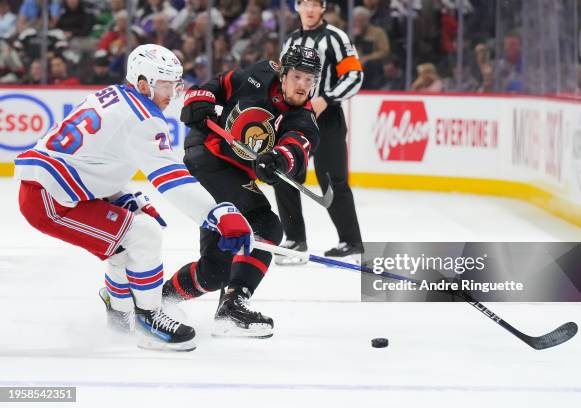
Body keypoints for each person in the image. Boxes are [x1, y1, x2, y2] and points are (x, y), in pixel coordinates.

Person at [13, 44, 253, 352]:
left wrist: (122, 195)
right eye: (166, 84)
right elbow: (171, 178)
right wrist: (218, 213)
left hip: (54, 187)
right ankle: (149, 319)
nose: (173, 91)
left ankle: (119, 311)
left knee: (128, 240)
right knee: (144, 235)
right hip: (50, 198)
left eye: (176, 83)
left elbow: (98, 158)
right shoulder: (144, 118)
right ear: (143, 84)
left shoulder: (112, 95)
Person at [161, 45, 322, 338]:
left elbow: (296, 149)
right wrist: (198, 102)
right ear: (284, 74)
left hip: (232, 174)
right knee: (265, 224)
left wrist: (278, 160)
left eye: (309, 80)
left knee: (215, 271)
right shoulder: (259, 74)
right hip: (206, 155)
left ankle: (157, 302)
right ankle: (233, 306)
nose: (302, 85)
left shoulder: (304, 119)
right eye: (298, 76)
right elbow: (215, 86)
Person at [274, 0, 364, 265]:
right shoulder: (290, 41)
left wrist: (326, 98)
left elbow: (354, 76)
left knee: (333, 180)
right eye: (306, 3)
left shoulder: (336, 38)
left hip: (327, 118)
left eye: (316, 4)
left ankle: (351, 242)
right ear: (297, 6)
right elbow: (281, 76)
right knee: (285, 174)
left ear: (323, 8)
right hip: (295, 118)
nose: (311, 9)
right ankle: (295, 241)